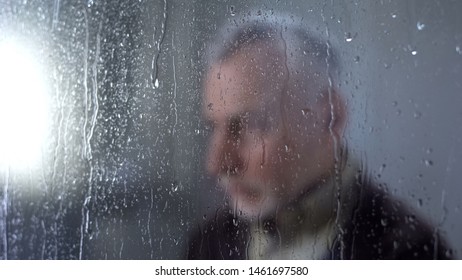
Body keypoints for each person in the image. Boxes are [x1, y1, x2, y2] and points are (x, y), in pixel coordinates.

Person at [186, 13, 452, 259]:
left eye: (253, 124)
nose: (217, 163)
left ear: (330, 118)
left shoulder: (411, 253)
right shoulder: (206, 243)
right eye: (213, 128)